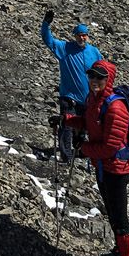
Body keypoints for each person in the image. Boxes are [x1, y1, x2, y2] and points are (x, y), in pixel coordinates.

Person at [68, 60, 129, 256]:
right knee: (112, 211)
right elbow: (90, 124)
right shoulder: (94, 100)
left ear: (109, 80)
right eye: (92, 76)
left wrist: (84, 149)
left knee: (119, 216)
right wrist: (67, 121)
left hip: (116, 169)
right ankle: (119, 253)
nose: (94, 80)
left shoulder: (116, 108)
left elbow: (110, 146)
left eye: (100, 77)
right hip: (104, 167)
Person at [40, 11, 101, 160]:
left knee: (83, 126)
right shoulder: (65, 48)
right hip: (69, 96)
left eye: (84, 34)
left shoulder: (94, 52)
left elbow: (102, 71)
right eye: (79, 34)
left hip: (87, 97)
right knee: (67, 124)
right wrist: (46, 24)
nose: (82, 37)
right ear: (75, 35)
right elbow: (48, 40)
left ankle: (79, 151)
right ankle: (66, 155)